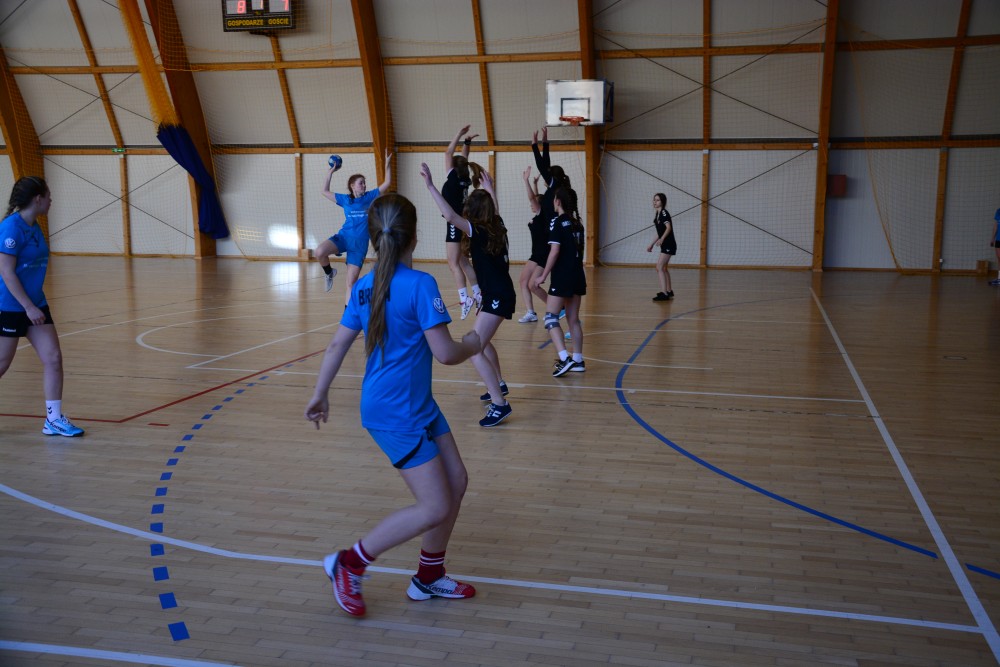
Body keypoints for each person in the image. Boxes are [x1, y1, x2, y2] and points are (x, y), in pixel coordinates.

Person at [305, 193, 482, 618]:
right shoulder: (420, 284)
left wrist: (320, 392)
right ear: (414, 236)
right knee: (435, 505)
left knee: (456, 481)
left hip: (415, 404)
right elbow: (445, 353)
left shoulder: (364, 286)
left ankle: (429, 576)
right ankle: (350, 563)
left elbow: (336, 345)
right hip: (395, 414)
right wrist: (474, 342)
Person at [421, 162, 516, 427]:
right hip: (498, 293)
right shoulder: (497, 224)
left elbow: (450, 216)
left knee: (474, 349)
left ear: (472, 212)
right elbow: (495, 210)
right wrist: (490, 189)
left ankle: (500, 404)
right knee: (482, 342)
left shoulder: (479, 230)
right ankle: (499, 384)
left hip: (497, 296)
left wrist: (430, 186)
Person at [0, 176, 84, 437]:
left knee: (53, 358)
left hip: (36, 303)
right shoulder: (11, 228)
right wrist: (27, 307)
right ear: (38, 199)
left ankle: (54, 419)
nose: (51, 201)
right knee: (2, 364)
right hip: (11, 306)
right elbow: (6, 272)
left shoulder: (34, 226)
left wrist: (33, 305)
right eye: (48, 196)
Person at [315, 150, 393, 304]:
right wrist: (330, 171)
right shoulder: (345, 199)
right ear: (352, 186)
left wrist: (387, 164)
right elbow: (324, 191)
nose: (364, 185)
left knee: (351, 283)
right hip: (343, 237)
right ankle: (329, 272)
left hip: (359, 244)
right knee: (319, 252)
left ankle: (347, 313)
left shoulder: (369, 196)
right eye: (361, 183)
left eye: (364, 182)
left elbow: (387, 183)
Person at [534, 186, 586, 377]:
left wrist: (543, 275)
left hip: (562, 276)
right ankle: (578, 360)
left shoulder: (557, 222)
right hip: (578, 275)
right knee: (573, 319)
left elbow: (554, 252)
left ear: (558, 201)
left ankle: (564, 358)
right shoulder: (578, 224)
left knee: (550, 318)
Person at [441, 125, 483, 319]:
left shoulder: (452, 178)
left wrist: (459, 133)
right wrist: (467, 142)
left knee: (453, 263)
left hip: (454, 223)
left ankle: (464, 299)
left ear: (452, 167)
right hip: (464, 222)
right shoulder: (464, 178)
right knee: (463, 261)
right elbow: (462, 158)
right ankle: (478, 294)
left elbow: (448, 153)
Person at [517, 166, 551, 323]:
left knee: (533, 285)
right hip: (535, 254)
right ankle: (531, 312)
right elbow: (537, 198)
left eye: (534, 203)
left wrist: (526, 181)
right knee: (523, 281)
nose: (531, 204)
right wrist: (536, 184)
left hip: (544, 255)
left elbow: (533, 198)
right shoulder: (540, 216)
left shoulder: (542, 215)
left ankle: (556, 308)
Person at [647, 192, 676, 301]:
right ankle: (669, 291)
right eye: (654, 200)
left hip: (669, 244)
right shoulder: (657, 214)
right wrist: (651, 244)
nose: (655, 202)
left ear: (662, 202)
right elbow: (659, 232)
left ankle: (664, 294)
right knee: (663, 268)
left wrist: (662, 239)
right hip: (665, 244)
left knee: (659, 267)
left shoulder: (664, 213)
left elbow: (668, 228)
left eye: (657, 200)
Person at [991, 207, 1000, 286]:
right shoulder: (998, 211)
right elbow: (996, 226)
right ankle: (999, 278)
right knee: (999, 258)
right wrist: (992, 238)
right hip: (998, 239)